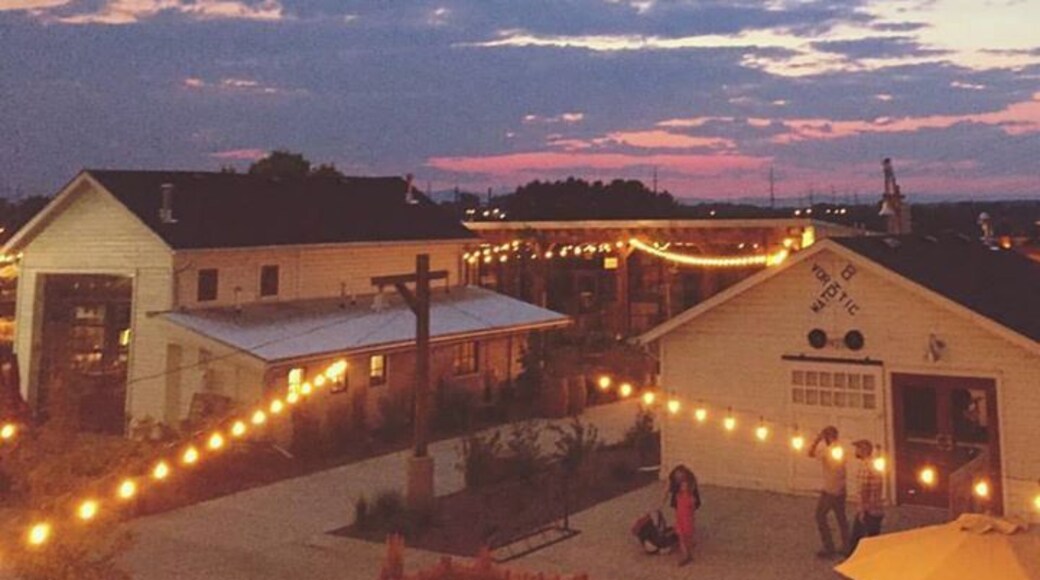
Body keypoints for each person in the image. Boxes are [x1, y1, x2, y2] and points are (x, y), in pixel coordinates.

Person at [808, 425, 848, 558]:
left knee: (820, 516)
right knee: (841, 518)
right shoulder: (841, 449)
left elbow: (810, 453)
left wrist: (817, 439)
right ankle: (847, 546)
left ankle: (829, 547)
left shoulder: (828, 451)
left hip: (830, 490)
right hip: (841, 488)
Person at [845, 440, 884, 556]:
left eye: (857, 448)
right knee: (873, 539)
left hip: (868, 510)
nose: (855, 451)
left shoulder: (865, 467)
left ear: (863, 451)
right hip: (876, 508)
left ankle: (855, 562)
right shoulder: (874, 465)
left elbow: (863, 491)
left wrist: (862, 511)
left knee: (857, 539)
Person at [673, 471, 699, 566]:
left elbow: (692, 511)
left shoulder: (691, 499)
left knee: (686, 538)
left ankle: (688, 554)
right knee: (681, 538)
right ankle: (686, 555)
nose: (683, 487)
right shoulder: (678, 496)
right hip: (680, 519)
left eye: (685, 486)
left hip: (687, 520)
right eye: (682, 486)